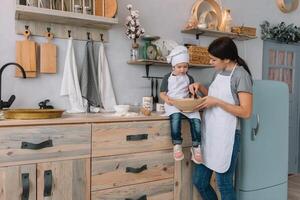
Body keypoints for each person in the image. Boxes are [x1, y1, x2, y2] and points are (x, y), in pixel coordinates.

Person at [190, 37, 253, 200]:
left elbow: (246, 112)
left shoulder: (241, 75)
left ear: (226, 59)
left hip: (228, 136)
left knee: (224, 184)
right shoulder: (219, 72)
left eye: (214, 59)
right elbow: (213, 96)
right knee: (199, 181)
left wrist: (216, 102)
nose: (211, 62)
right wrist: (200, 87)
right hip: (210, 134)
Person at [160, 45, 208, 163]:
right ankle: (177, 145)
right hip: (173, 104)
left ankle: (196, 147)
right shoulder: (167, 78)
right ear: (173, 66)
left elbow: (191, 93)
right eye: (179, 67)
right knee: (175, 119)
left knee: (196, 120)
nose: (182, 69)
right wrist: (167, 100)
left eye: (185, 67)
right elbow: (162, 93)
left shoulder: (189, 78)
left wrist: (193, 97)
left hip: (186, 104)